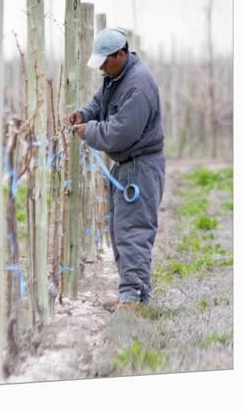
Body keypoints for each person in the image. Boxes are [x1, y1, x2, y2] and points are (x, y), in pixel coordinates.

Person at [67, 27, 165, 312]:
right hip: (127, 166)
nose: (102, 69)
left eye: (104, 61)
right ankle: (130, 293)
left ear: (120, 54)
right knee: (120, 229)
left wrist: (90, 130)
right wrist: (85, 114)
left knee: (133, 230)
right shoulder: (115, 76)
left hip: (141, 167)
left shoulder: (138, 85)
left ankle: (133, 298)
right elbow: (101, 102)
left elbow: (121, 132)